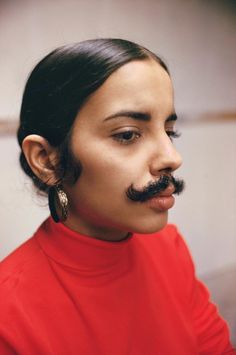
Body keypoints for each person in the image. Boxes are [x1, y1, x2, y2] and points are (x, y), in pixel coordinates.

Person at [0, 38, 235, 354]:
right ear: (46, 159)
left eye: (169, 131)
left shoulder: (169, 245)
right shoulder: (8, 314)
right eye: (127, 135)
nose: (172, 157)